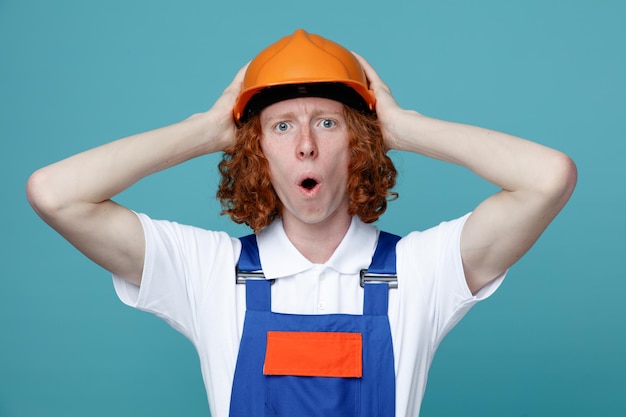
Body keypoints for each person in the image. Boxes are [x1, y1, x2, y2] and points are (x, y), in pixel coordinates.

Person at [27, 29, 577, 416]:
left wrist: (405, 126)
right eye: (283, 125)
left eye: (328, 122)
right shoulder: (208, 273)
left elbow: (548, 178)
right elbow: (54, 194)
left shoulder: (419, 271)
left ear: (360, 145)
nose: (307, 146)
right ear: (257, 151)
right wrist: (205, 128)